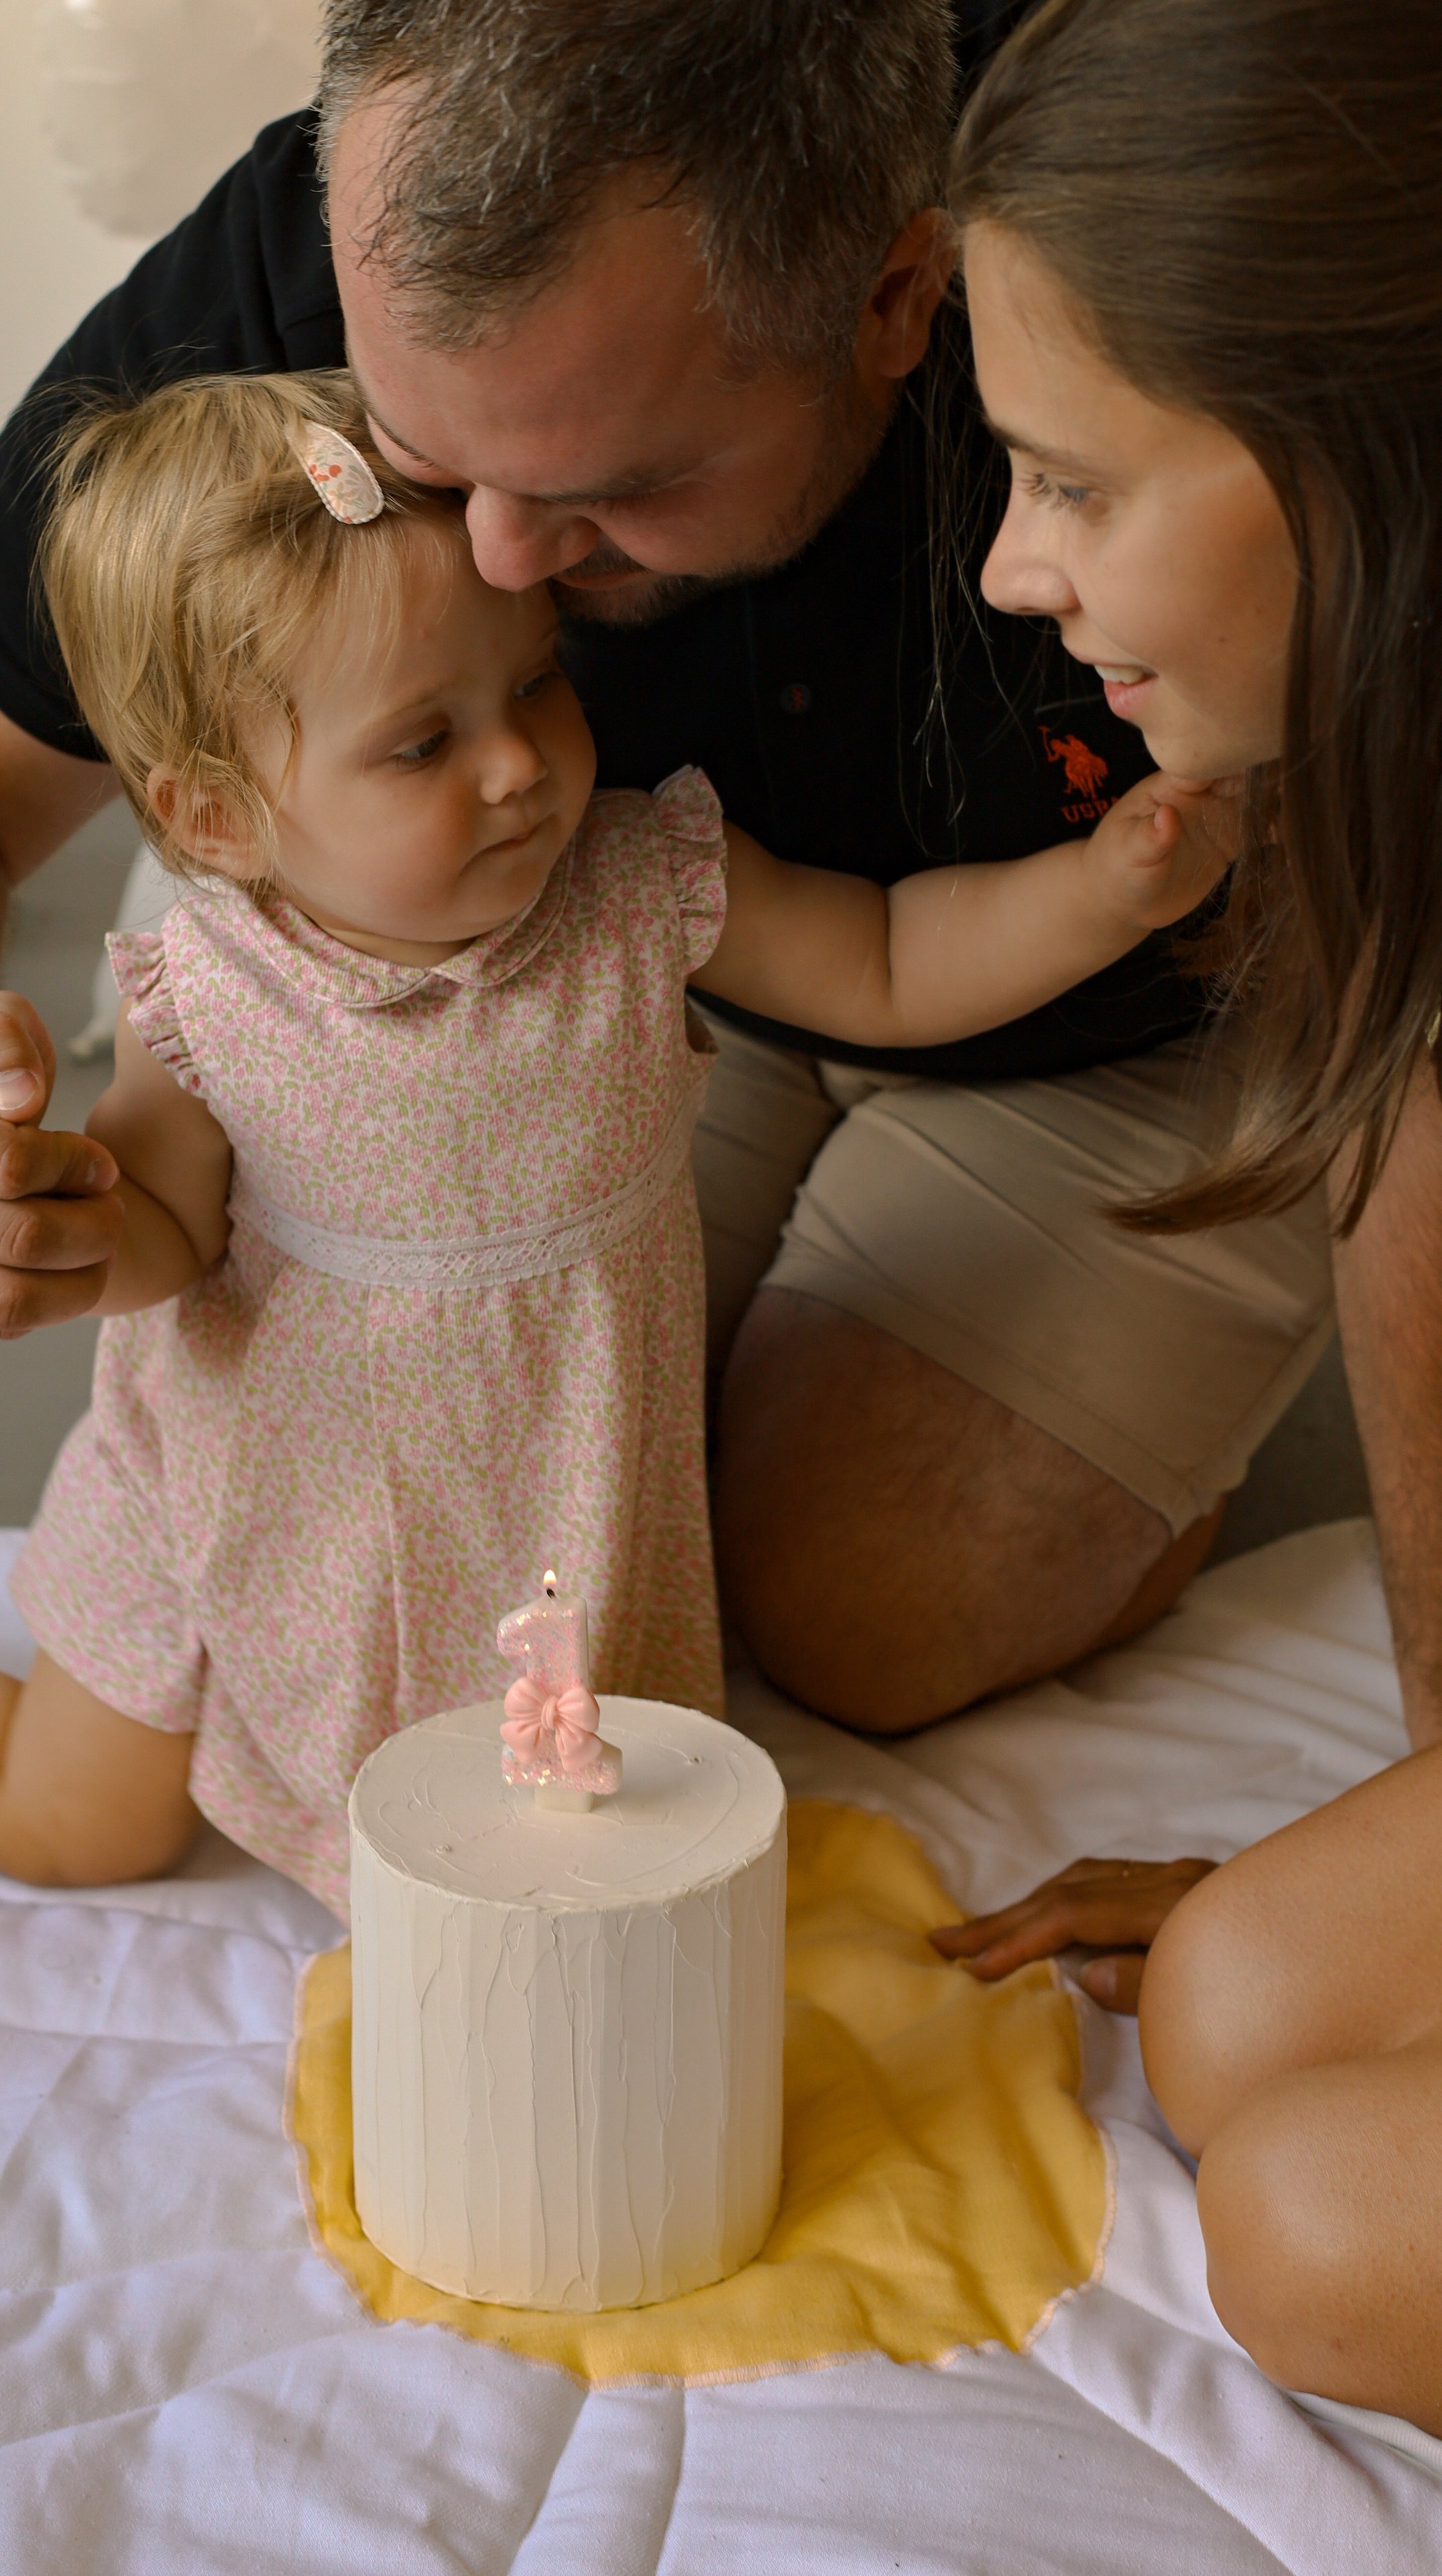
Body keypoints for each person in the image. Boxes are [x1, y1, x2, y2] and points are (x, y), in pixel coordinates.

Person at [0, 0, 1340, 1738]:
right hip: (609, 990)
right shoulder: (315, 260)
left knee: (852, 1603)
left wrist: (1149, 880)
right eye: (431, 459)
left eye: (611, 486)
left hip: (1126, 1005)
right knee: (468, 1470)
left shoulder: (1154, 217)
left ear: (898, 298)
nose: (499, 551)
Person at [0, 371, 1222, 1905]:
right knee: (72, 1819)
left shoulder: (636, 884)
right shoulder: (214, 997)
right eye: (417, 744)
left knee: (564, 1837)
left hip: (552, 1494)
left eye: (530, 685)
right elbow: (161, 1237)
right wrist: (48, 1217)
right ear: (220, 817)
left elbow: (890, 962)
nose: (515, 763)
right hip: (259, 1499)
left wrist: (1095, 896)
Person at [925, 0, 1442, 2435]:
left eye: (1072, 480)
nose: (1016, 567)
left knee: (1320, 2232)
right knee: (1236, 2006)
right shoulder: (1380, 856)